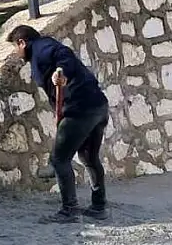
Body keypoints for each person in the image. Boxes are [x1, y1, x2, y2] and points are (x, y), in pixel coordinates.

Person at [7, 25, 110, 223]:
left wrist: (61, 71)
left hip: (78, 111)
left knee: (59, 159)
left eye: (15, 47)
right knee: (89, 157)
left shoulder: (42, 48)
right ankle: (99, 206)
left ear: (22, 42)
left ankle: (69, 210)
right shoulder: (45, 46)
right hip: (97, 105)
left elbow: (64, 57)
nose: (16, 52)